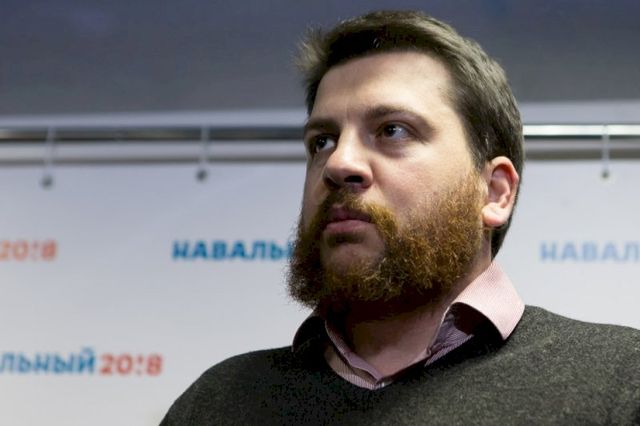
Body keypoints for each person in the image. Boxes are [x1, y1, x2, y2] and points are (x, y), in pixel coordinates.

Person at [161, 10, 640, 425]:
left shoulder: (619, 384)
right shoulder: (218, 402)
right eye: (322, 141)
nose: (338, 163)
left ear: (494, 192)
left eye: (392, 130)